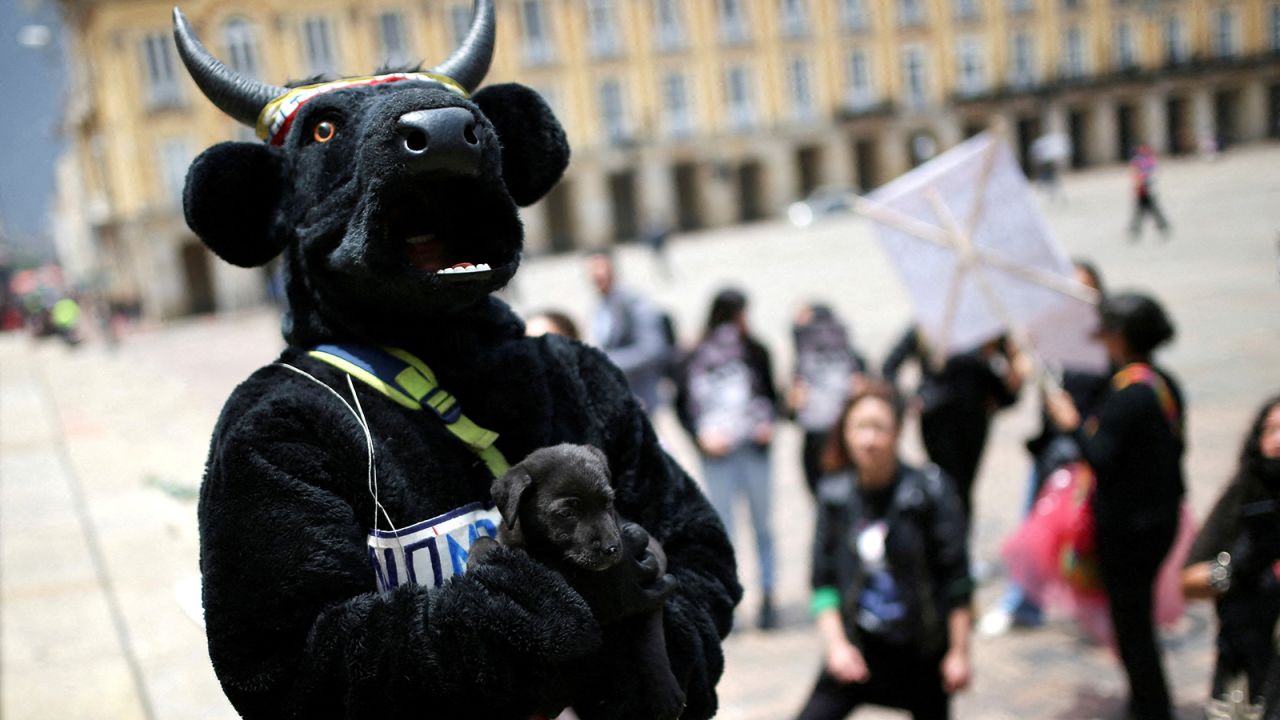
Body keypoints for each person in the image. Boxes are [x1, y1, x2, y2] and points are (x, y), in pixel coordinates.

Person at [795, 383, 973, 720]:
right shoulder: (835, 495)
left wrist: (959, 653)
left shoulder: (930, 491)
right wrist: (837, 647)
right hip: (861, 648)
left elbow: (957, 580)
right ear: (846, 432)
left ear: (897, 432)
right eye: (860, 427)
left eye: (880, 427)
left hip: (922, 651)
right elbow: (823, 581)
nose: (869, 439)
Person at [1046, 291, 1185, 720]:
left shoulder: (1129, 394)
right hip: (1160, 517)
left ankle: (1150, 707)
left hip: (1132, 529)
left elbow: (1101, 455)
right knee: (1135, 622)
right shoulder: (1158, 382)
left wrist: (1071, 424)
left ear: (1120, 337)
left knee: (1133, 628)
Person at [981, 260, 1109, 635]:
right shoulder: (1048, 335)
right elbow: (1013, 387)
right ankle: (1023, 603)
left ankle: (1098, 606)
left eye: (1081, 291)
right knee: (1033, 533)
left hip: (1094, 453)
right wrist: (1017, 354)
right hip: (1053, 453)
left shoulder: (1107, 339)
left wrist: (1078, 420)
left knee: (1091, 537)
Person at [676, 288, 780, 629]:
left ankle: (768, 596)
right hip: (718, 454)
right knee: (724, 529)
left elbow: (770, 394)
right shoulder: (695, 355)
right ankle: (727, 599)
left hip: (753, 448)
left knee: (763, 525)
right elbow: (682, 404)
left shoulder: (756, 350)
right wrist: (700, 439)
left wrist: (769, 423)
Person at [1181, 394, 1280, 711]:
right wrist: (1237, 567)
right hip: (1243, 674)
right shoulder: (1244, 493)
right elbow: (1188, 583)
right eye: (1271, 429)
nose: (1279, 440)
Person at [883, 328, 1023, 527]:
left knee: (964, 488)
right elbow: (889, 367)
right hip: (936, 422)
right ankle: (940, 542)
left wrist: (1014, 361)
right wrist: (909, 401)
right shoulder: (929, 324)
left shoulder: (986, 328)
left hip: (974, 421)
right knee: (944, 484)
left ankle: (957, 548)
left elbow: (1010, 388)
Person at [789, 303, 868, 496]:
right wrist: (793, 401)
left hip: (846, 438)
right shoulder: (803, 362)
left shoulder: (853, 358)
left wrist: (860, 390)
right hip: (816, 441)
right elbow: (790, 413)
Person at [585, 249, 673, 415]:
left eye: (601, 269)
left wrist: (606, 362)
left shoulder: (634, 302)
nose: (597, 275)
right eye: (592, 271)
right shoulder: (601, 304)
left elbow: (652, 349)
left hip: (643, 395)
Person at [1129, 144, 1171, 241]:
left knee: (1146, 211)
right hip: (1143, 190)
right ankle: (1161, 226)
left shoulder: (1144, 160)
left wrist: (1142, 181)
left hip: (1146, 190)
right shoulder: (1141, 160)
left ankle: (1136, 229)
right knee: (1146, 211)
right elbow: (1138, 174)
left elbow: (1148, 174)